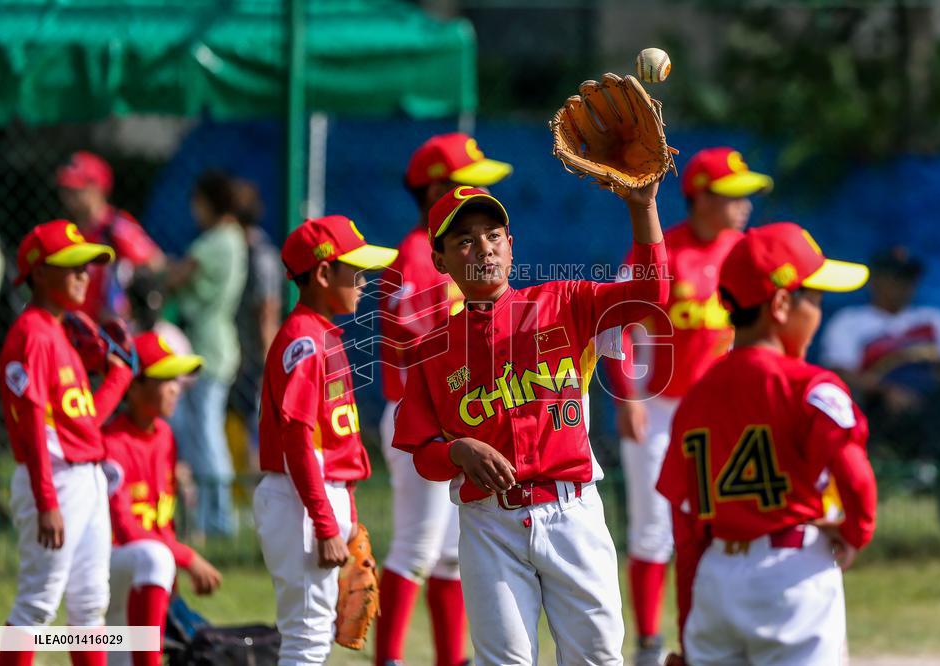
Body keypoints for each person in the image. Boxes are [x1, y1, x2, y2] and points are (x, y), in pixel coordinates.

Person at [392, 180, 669, 666]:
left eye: (494, 235)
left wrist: (643, 208)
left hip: (571, 512)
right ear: (440, 261)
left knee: (598, 657)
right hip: (489, 524)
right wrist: (457, 451)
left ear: (511, 245)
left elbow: (650, 295)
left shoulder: (565, 301)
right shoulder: (432, 351)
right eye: (465, 240)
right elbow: (422, 453)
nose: (484, 248)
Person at [657, 223, 877, 665]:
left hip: (716, 579)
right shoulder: (813, 386)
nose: (818, 313)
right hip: (792, 576)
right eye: (813, 299)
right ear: (780, 304)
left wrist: (687, 627)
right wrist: (854, 533)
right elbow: (856, 478)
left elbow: (686, 529)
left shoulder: (695, 398)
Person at [604, 147, 771, 664]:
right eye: (732, 196)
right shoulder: (661, 248)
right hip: (657, 409)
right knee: (655, 527)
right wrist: (629, 396)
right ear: (700, 198)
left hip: (722, 408)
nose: (744, 206)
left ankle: (706, 636)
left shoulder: (744, 251)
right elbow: (619, 324)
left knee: (719, 523)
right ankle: (651, 643)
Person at [376, 132, 512, 666]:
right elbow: (414, 341)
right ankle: (388, 658)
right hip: (422, 416)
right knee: (417, 545)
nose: (479, 193)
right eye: (466, 183)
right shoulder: (415, 253)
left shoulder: (459, 258)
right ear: (436, 188)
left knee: (451, 554)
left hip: (456, 417)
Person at [253, 215, 397, 666]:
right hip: (301, 497)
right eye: (353, 270)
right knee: (306, 637)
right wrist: (324, 523)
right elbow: (297, 438)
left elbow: (335, 443)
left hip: (317, 494)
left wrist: (348, 517)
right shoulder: (304, 341)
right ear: (321, 273)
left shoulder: (323, 335)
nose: (363, 281)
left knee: (311, 637)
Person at [0, 219, 134, 666]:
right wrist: (46, 500)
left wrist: (118, 377)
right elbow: (33, 426)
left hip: (85, 474)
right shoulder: (32, 335)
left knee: (90, 604)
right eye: (72, 266)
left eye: (88, 267)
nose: (84, 275)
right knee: (37, 606)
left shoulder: (59, 332)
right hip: (54, 480)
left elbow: (85, 425)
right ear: (38, 272)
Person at [820, 247, 940, 546]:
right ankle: (920, 468)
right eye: (896, 278)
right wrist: (884, 389)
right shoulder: (852, 322)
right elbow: (839, 374)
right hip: (881, 412)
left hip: (933, 408)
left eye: (909, 279)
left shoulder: (931, 319)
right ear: (877, 280)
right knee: (936, 410)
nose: (904, 287)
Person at [104, 332, 222, 666]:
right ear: (134, 386)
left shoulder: (165, 436)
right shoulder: (111, 443)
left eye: (176, 379)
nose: (175, 388)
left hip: (143, 571)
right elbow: (125, 529)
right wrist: (186, 558)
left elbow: (161, 522)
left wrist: (170, 585)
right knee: (157, 557)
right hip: (107, 570)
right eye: (164, 379)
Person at [168, 170, 248, 537]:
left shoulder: (217, 240)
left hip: (208, 349)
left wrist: (154, 266)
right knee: (198, 432)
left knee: (206, 435)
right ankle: (208, 517)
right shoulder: (233, 238)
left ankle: (219, 521)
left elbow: (178, 276)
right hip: (213, 344)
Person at [57, 151, 165, 320]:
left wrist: (127, 301)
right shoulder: (70, 231)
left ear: (97, 188)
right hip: (76, 327)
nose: (67, 195)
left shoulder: (116, 227)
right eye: (66, 189)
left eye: (76, 189)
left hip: (109, 331)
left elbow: (155, 263)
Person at [230, 180, 282, 467]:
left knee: (256, 424)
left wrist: (267, 362)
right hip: (238, 353)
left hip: (255, 359)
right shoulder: (236, 250)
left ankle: (256, 485)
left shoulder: (259, 256)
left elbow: (267, 312)